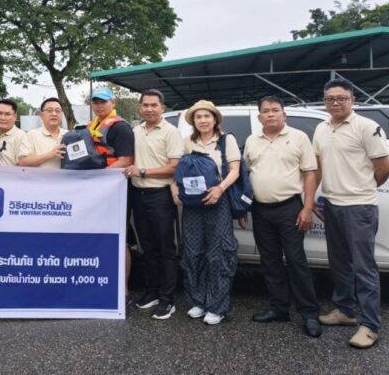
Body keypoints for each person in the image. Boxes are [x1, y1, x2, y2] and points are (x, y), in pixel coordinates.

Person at [313, 79, 389, 349]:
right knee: (339, 264)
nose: (335, 103)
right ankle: (344, 310)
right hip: (331, 205)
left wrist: (363, 187)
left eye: (341, 98)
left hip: (359, 207)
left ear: (352, 100)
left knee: (364, 268)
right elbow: (318, 166)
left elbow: (383, 166)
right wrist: (309, 200)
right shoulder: (321, 128)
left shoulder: (367, 127)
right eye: (330, 99)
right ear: (325, 101)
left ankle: (369, 326)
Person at [243, 96, 321, 337]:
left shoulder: (298, 137)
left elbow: (310, 174)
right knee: (270, 261)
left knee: (296, 261)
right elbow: (247, 173)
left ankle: (309, 313)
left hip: (290, 208)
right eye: (265, 111)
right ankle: (279, 309)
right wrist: (242, 207)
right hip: (260, 209)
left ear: (283, 114)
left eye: (275, 110)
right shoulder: (252, 140)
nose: (270, 114)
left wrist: (307, 207)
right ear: (259, 117)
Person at [172, 100, 240, 325]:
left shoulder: (226, 140)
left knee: (219, 254)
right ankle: (198, 301)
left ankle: (217, 306)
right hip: (192, 205)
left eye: (207, 116)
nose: (203, 120)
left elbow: (235, 171)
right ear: (193, 121)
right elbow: (177, 171)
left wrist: (220, 189)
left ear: (215, 119)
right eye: (198, 117)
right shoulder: (187, 141)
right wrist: (174, 190)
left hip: (217, 202)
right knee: (193, 253)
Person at [124, 89, 184, 320]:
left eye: (154, 105)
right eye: (145, 105)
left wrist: (143, 171)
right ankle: (152, 292)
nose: (149, 109)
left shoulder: (171, 132)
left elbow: (174, 167)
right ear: (140, 107)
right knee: (147, 247)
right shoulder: (136, 131)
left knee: (166, 248)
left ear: (162, 108)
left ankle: (167, 299)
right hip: (138, 195)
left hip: (161, 195)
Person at [88, 86, 135, 302]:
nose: (99, 105)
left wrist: (98, 178)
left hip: (115, 190)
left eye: (103, 101)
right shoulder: (92, 126)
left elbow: (126, 160)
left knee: (120, 239)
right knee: (98, 238)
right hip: (97, 191)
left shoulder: (121, 128)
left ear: (113, 103)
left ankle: (123, 291)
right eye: (96, 102)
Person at [18, 97, 68, 169]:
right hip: (39, 177)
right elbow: (22, 162)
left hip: (66, 177)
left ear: (61, 114)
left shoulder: (68, 135)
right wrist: (50, 155)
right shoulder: (31, 135)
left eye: (57, 111)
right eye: (49, 110)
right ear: (41, 115)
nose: (54, 114)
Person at [0, 99, 26, 166]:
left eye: (7, 114)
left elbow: (23, 164)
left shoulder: (21, 137)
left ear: (15, 116)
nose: (2, 118)